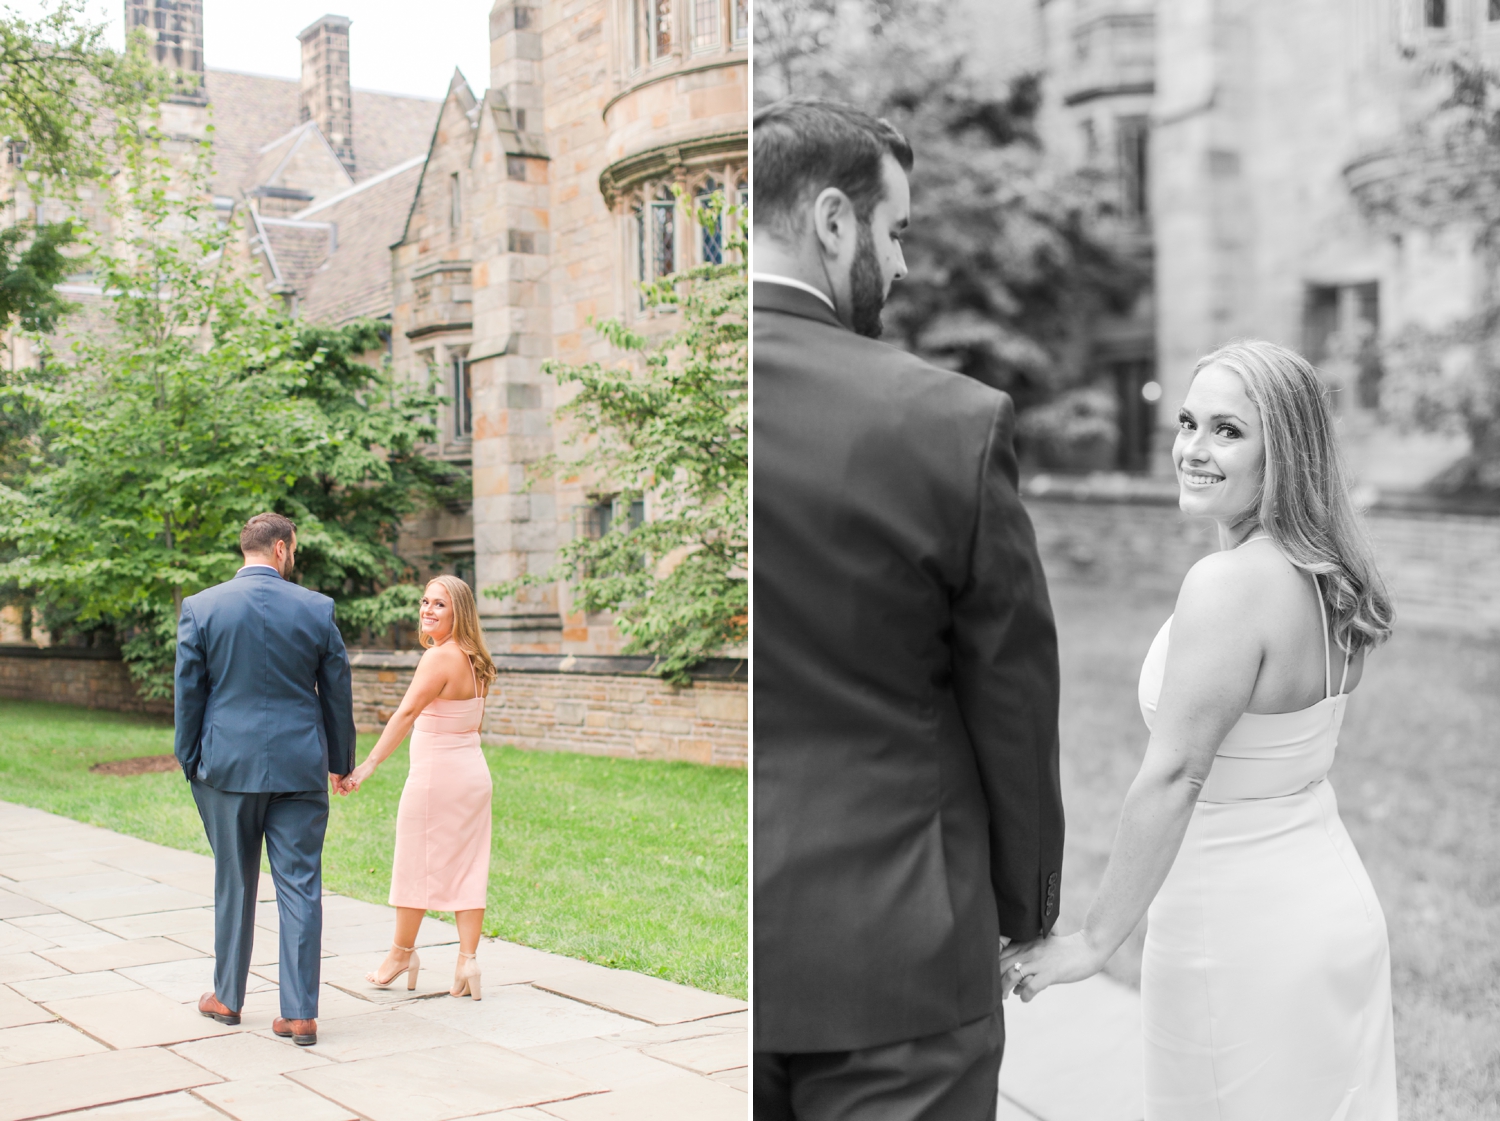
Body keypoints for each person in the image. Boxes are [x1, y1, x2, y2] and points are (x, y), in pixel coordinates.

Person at [752, 96, 1065, 1120]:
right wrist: (1018, 909)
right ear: (835, 221)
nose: (904, 267)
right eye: (897, 234)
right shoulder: (951, 423)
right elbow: (1012, 698)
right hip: (903, 948)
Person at [1002, 339, 1398, 1119]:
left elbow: (1174, 773)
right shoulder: (1330, 580)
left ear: (1283, 450)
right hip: (1330, 907)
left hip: (1240, 933)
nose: (1192, 449)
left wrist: (1092, 941)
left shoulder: (1227, 585)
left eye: (1227, 431)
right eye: (1188, 423)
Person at [175, 512, 356, 1048]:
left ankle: (227, 997)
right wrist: (340, 761)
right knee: (300, 885)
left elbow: (190, 694)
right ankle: (300, 1013)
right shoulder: (316, 608)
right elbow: (337, 693)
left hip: (227, 768)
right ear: (281, 548)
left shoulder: (202, 608)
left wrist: (189, 759)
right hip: (299, 768)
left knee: (235, 881)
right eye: (293, 548)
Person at [344, 574, 496, 1000]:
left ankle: (401, 954)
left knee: (415, 863)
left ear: (458, 612)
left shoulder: (439, 658)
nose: (427, 610)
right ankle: (468, 961)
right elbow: (472, 723)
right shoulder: (476, 659)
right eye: (425, 602)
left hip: (437, 777)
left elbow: (407, 713)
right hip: (473, 774)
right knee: (470, 864)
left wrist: (368, 765)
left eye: (439, 605)